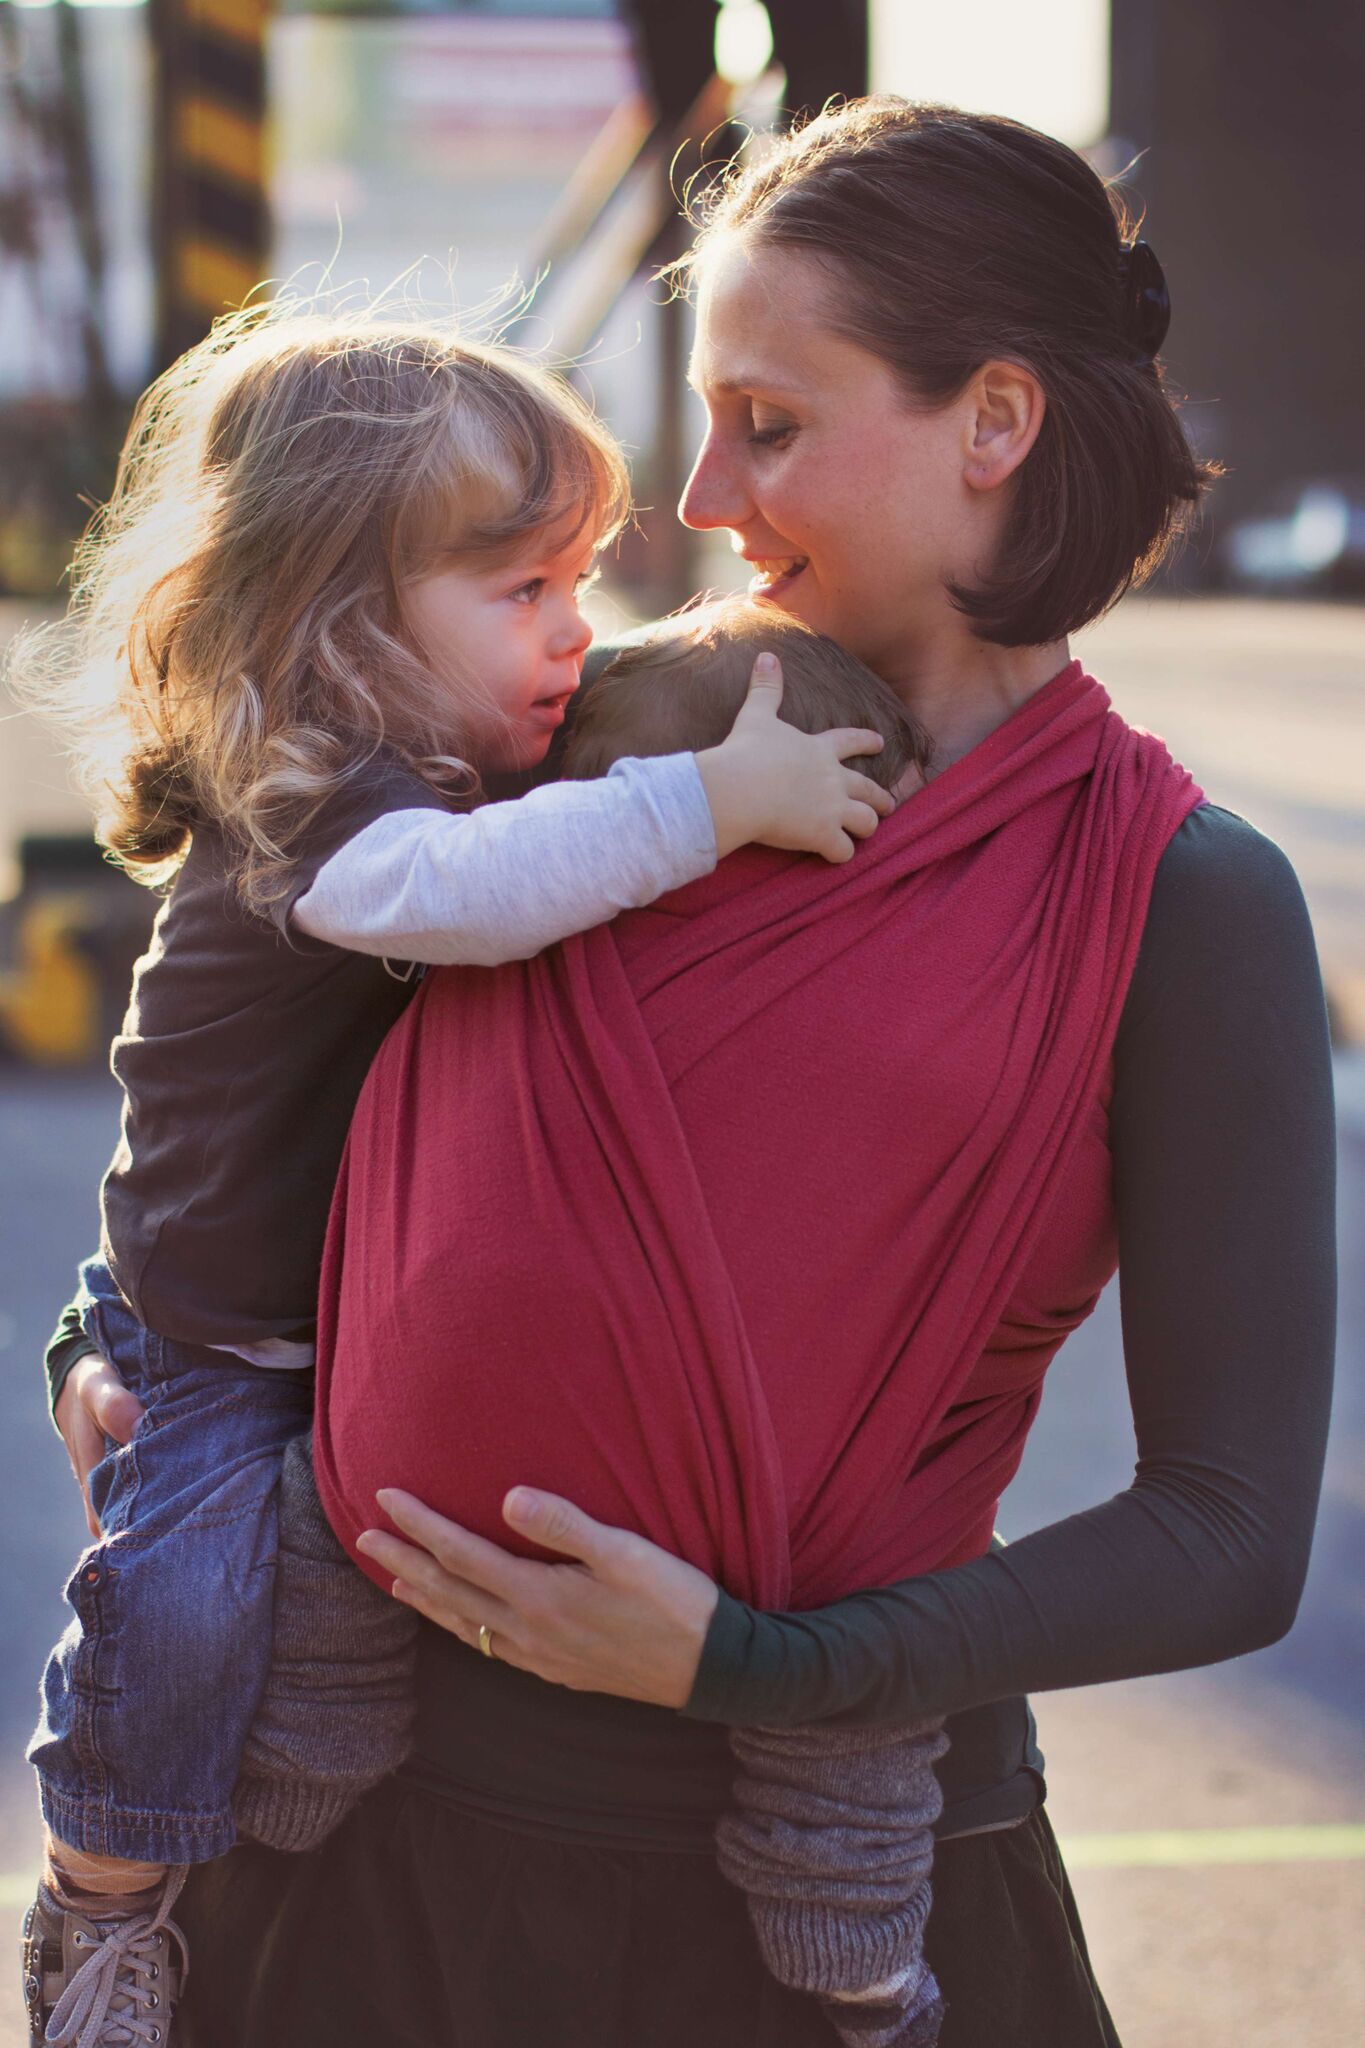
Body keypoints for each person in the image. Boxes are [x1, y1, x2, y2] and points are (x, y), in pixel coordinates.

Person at [51, 100, 1336, 2048]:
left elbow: (1228, 1531)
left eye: (769, 422)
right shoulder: (576, 745)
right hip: (377, 1858)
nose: (703, 496)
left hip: (818, 1895)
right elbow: (234, 1043)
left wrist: (763, 1664)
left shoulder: (1175, 897)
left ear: (991, 423)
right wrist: (113, 1338)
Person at [16, 306, 895, 2048]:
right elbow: (464, 897)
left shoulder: (439, 758)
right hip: (219, 1326)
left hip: (301, 1299)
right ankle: (102, 1903)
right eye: (524, 595)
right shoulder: (313, 806)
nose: (578, 633)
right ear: (340, 624)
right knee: (182, 1608)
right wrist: (714, 803)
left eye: (581, 584)